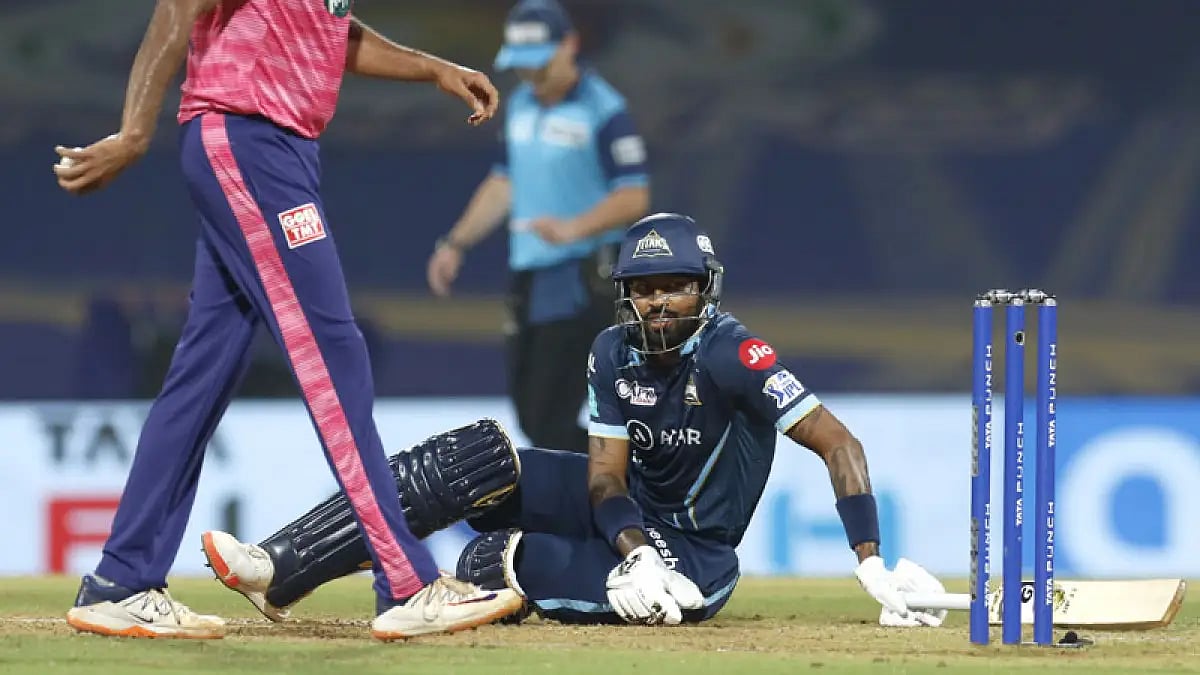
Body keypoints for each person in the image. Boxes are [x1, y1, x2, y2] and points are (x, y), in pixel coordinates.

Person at [202, 213, 946, 627]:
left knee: (490, 560)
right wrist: (631, 545)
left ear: (705, 291)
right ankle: (280, 565)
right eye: (643, 289)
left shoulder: (734, 354)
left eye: (675, 289)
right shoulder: (609, 351)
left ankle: (456, 586)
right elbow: (603, 479)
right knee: (477, 456)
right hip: (627, 517)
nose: (658, 303)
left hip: (696, 557)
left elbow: (839, 443)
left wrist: (870, 559)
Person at [52, 0, 522, 641]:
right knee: (334, 355)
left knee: (203, 373)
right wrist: (136, 130)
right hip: (249, 140)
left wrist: (432, 68)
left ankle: (122, 582)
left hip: (272, 147)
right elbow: (178, 9)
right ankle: (407, 583)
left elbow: (329, 29)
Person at [426, 0, 651, 453]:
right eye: (523, 67)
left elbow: (634, 195)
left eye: (540, 65)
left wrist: (574, 228)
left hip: (583, 278)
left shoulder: (603, 109)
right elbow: (504, 182)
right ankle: (620, 484)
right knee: (534, 416)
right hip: (532, 278)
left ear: (569, 45)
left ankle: (623, 490)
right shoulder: (522, 105)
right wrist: (456, 242)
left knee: (553, 416)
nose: (531, 76)